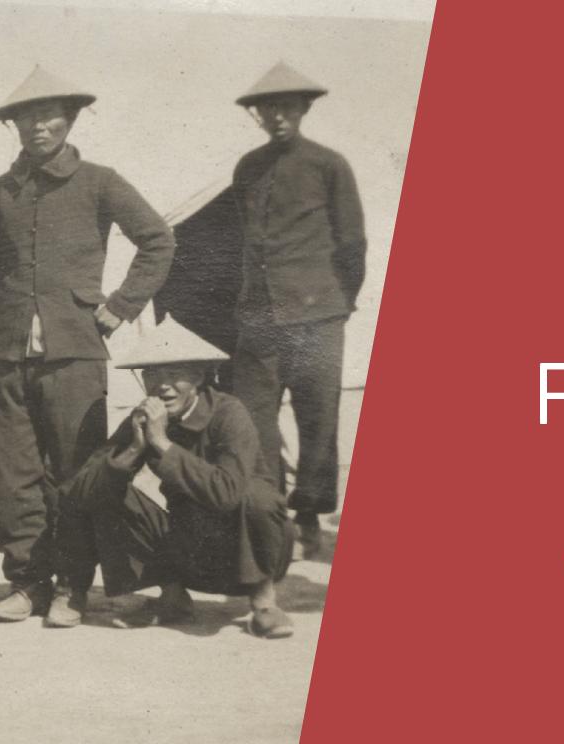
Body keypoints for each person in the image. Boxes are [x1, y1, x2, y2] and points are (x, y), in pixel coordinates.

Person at [0, 65, 177, 621]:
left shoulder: (100, 181)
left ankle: (71, 588)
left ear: (71, 118)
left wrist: (120, 305)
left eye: (49, 115)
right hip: (9, 356)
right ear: (13, 126)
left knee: (76, 477)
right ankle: (27, 584)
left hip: (76, 354)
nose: (37, 126)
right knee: (11, 476)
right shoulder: (2, 190)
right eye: (25, 117)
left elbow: (158, 241)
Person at [51, 315, 294, 637]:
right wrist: (135, 449)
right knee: (104, 485)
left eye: (175, 373)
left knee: (255, 496)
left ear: (197, 376)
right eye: (153, 373)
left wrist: (162, 444)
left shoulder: (229, 412)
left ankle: (264, 602)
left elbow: (227, 493)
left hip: (240, 546)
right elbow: (80, 490)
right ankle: (173, 594)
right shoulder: (145, 418)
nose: (162, 384)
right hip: (187, 544)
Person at [229, 62, 366, 557]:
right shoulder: (248, 167)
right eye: (269, 109)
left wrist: (338, 304)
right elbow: (242, 239)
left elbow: (352, 244)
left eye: (287, 107)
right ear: (258, 115)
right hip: (260, 317)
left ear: (304, 109)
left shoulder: (329, 164)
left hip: (316, 316)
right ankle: (271, 514)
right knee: (252, 416)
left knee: (317, 416)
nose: (278, 117)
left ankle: (309, 510)